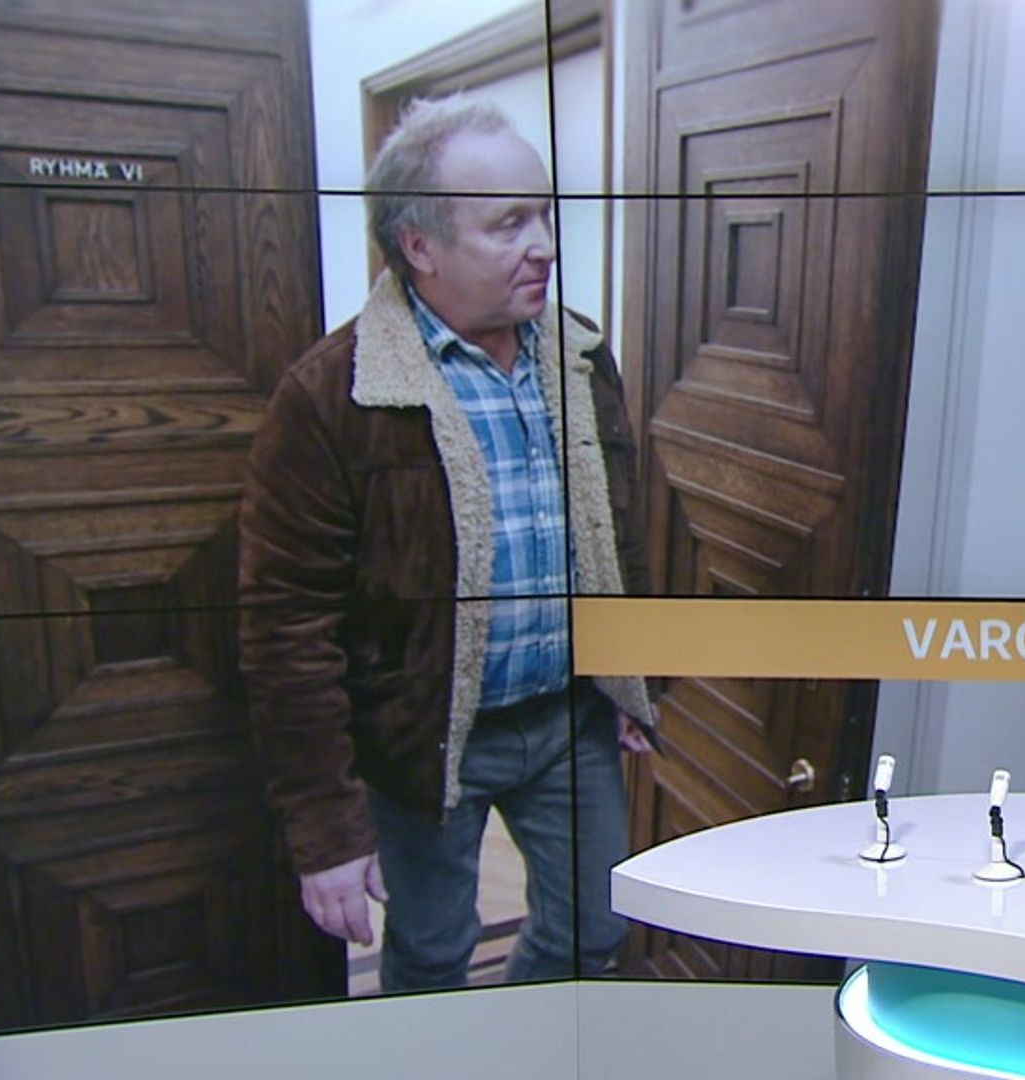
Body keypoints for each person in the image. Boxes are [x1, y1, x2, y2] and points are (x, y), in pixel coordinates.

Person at [239, 98, 656, 990]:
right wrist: (325, 829)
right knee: (431, 950)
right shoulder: (331, 395)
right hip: (421, 742)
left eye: (544, 216)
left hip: (570, 721)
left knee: (595, 929)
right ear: (420, 246)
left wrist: (635, 673)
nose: (544, 246)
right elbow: (286, 627)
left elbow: (614, 529)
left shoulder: (581, 356)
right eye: (509, 224)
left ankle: (521, 1039)